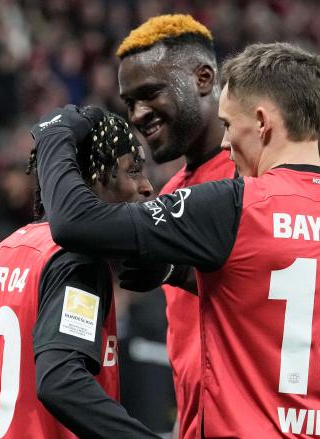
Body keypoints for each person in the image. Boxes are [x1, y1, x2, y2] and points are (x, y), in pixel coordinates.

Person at [32, 42, 320, 438]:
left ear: (262, 122)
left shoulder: (236, 206)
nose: (224, 142)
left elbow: (77, 224)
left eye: (228, 124)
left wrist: (55, 134)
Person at [0, 110, 159, 439]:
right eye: (133, 171)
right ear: (95, 176)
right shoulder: (75, 258)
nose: (147, 187)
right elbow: (60, 382)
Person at [116, 14, 236, 439]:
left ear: (203, 78)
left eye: (149, 94)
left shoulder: (253, 182)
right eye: (129, 102)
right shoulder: (171, 193)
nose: (138, 115)